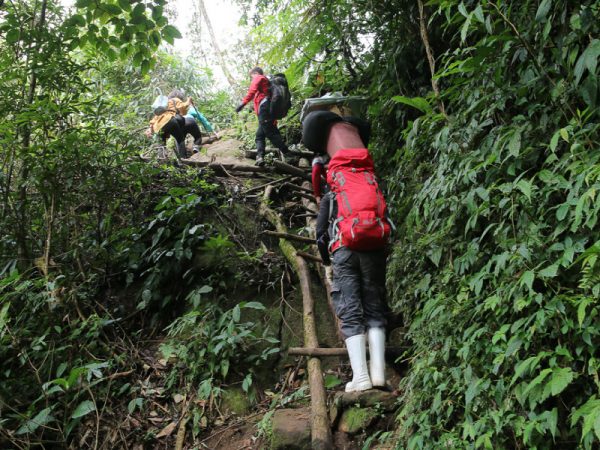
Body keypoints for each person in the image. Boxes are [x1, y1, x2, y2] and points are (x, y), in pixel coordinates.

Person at [304, 111, 390, 392]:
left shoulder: (333, 191)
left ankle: (361, 377)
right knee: (375, 308)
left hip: (344, 248)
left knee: (351, 310)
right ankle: (379, 375)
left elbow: (320, 234)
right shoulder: (369, 180)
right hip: (375, 247)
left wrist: (327, 259)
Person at [235, 67, 289, 167]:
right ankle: (260, 157)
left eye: (252, 76)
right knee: (260, 136)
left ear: (255, 73)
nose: (252, 79)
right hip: (266, 110)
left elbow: (252, 91)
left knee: (271, 133)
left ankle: (288, 154)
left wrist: (242, 104)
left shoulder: (259, 77)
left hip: (265, 108)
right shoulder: (265, 87)